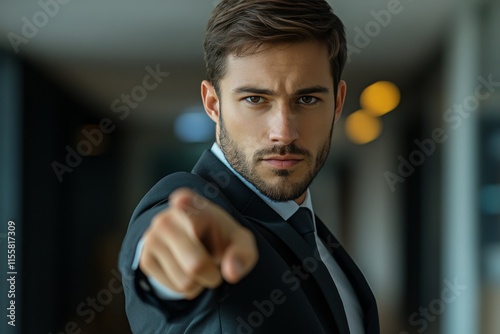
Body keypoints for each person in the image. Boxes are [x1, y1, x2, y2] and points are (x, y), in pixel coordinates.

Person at [119, 0, 380, 333]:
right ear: (213, 103)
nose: (283, 132)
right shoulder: (193, 203)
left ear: (338, 103)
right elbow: (163, 242)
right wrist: (168, 273)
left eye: (307, 99)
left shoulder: (317, 238)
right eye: (256, 99)